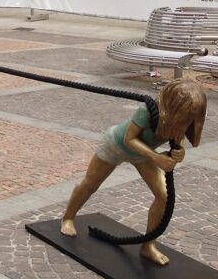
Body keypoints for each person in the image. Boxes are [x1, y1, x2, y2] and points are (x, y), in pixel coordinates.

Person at [60, 80, 207, 265]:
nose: (187, 121)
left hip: (143, 155)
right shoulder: (147, 110)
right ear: (174, 105)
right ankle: (68, 217)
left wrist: (178, 153)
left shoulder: (181, 120)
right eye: (186, 115)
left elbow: (178, 142)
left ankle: (148, 246)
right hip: (115, 145)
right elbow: (129, 139)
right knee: (90, 184)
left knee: (163, 195)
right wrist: (156, 157)